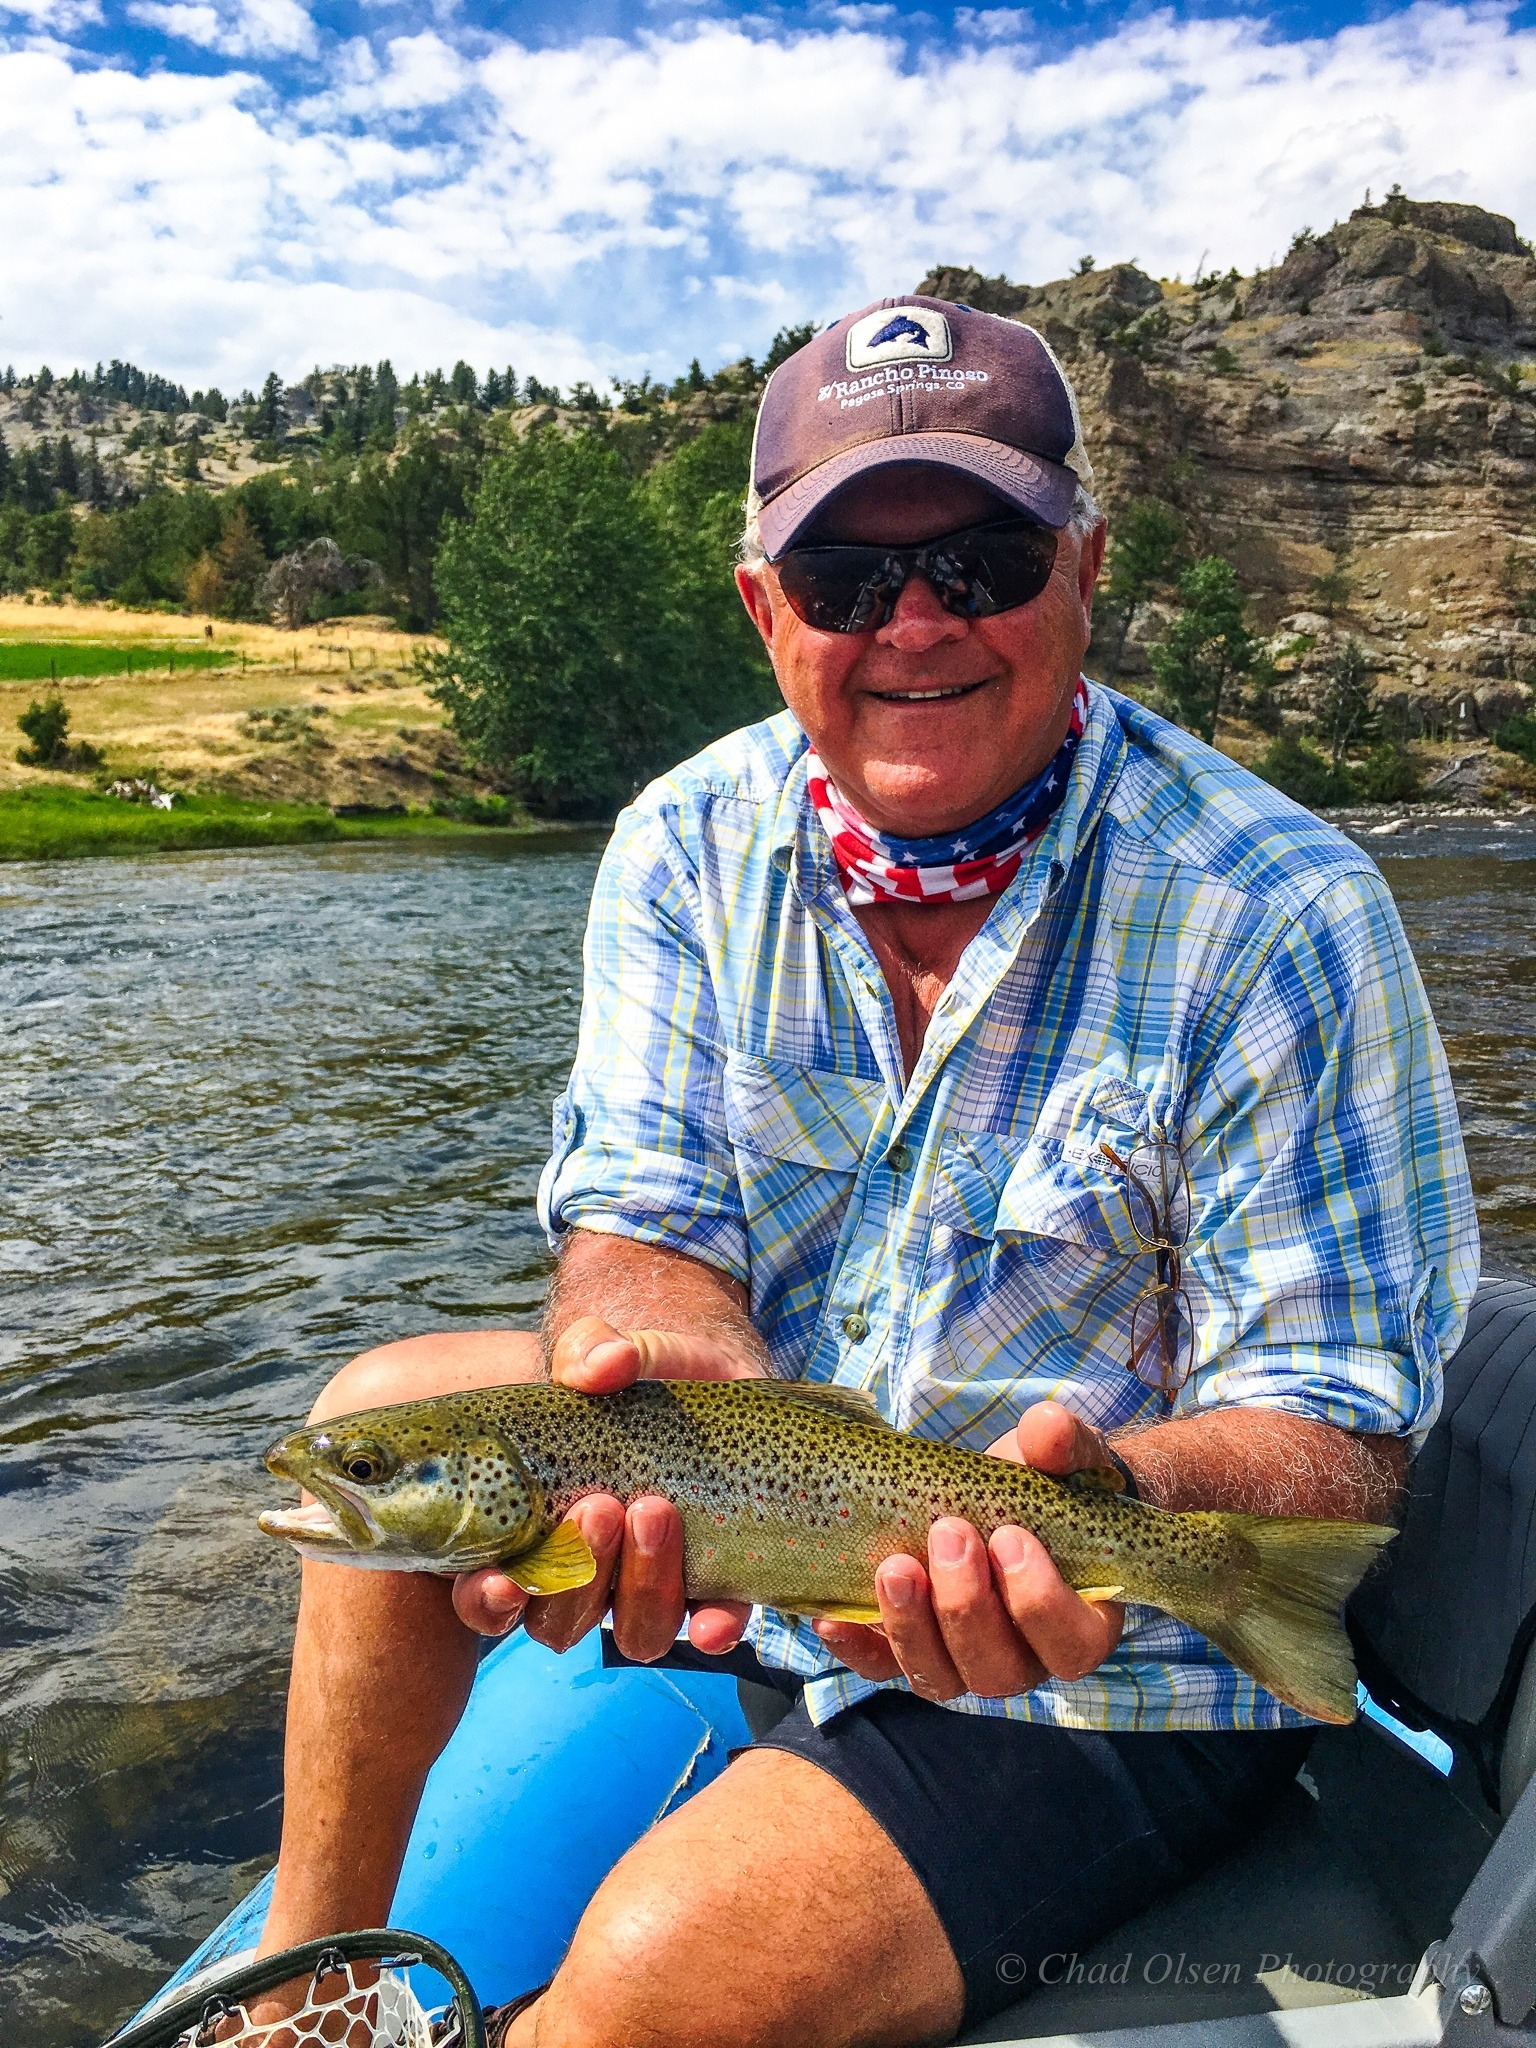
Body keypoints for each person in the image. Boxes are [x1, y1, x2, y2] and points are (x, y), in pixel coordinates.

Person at [255, 297, 1478, 2048]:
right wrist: (649, 1327)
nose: (914, 624)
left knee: (642, 1984)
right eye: (843, 583)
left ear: (1084, 565)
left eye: (978, 561)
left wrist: (1104, 1504)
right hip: (776, 1527)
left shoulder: (1281, 914)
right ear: (767, 613)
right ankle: (302, 1987)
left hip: (1105, 1666)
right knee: (387, 1399)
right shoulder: (685, 845)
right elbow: (640, 1221)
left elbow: (1344, 1420)